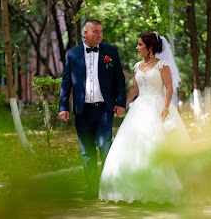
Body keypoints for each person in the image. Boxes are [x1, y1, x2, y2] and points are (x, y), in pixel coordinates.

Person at [99, 33, 190, 205]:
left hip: (158, 106)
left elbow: (169, 88)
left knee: (157, 144)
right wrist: (122, 104)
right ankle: (132, 188)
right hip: (139, 108)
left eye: (140, 44)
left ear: (150, 47)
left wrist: (165, 107)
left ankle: (162, 188)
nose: (137, 47)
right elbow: (134, 89)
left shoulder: (163, 65)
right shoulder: (137, 66)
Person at [58, 19, 126, 200]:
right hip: (82, 110)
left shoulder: (110, 51)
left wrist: (121, 101)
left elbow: (119, 77)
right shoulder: (72, 54)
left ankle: (107, 187)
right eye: (95, 31)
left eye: (101, 31)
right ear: (85, 33)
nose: (99, 35)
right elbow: (66, 83)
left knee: (105, 147)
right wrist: (63, 107)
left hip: (104, 109)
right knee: (87, 151)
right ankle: (92, 188)